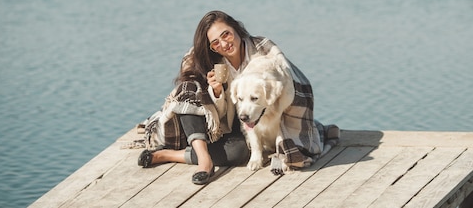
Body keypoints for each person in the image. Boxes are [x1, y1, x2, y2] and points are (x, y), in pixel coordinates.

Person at [138, 10, 339, 184]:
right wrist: (215, 92)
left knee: (239, 153)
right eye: (215, 43)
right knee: (189, 88)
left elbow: (289, 82)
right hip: (217, 121)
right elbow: (189, 97)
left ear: (236, 29)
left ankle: (169, 155)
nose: (223, 44)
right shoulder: (208, 60)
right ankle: (204, 160)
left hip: (245, 120)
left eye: (226, 35)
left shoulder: (264, 51)